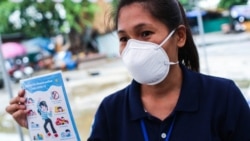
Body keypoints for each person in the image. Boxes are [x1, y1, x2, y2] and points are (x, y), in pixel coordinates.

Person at [5, 0, 250, 141]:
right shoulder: (111, 111)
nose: (133, 47)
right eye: (124, 38)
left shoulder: (223, 97)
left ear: (180, 36)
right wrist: (45, 129)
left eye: (145, 34)